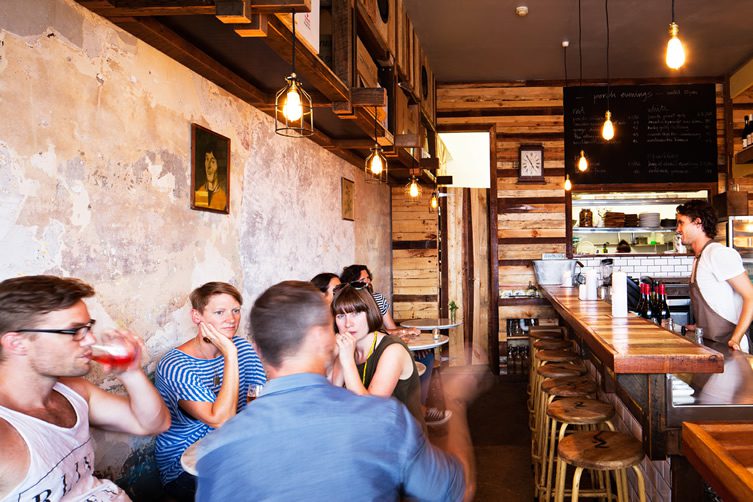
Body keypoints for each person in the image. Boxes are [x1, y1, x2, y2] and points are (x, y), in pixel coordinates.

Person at [195, 281, 476, 501]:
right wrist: (455, 401)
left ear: (256, 350)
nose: (346, 323)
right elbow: (455, 491)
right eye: (338, 318)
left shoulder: (217, 449)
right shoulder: (383, 420)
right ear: (323, 336)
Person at [0, 275, 171, 501]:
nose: (90, 340)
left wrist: (130, 372)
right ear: (17, 343)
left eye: (88, 328)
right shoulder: (6, 435)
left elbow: (153, 424)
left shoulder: (72, 390)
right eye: (73, 331)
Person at [155, 282, 266, 501]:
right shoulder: (176, 365)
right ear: (197, 317)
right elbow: (221, 420)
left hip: (234, 447)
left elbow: (261, 397)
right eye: (220, 312)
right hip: (185, 464)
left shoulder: (242, 347)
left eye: (235, 310)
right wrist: (230, 354)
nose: (232, 319)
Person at [330, 282, 424, 427]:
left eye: (356, 313)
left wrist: (347, 361)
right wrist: (338, 354)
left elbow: (370, 412)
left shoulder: (393, 350)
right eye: (341, 316)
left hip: (402, 439)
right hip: (366, 434)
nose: (348, 324)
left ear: (370, 312)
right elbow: (332, 396)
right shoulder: (347, 347)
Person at [676, 200, 753, 351]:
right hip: (713, 343)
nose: (678, 229)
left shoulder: (717, 254)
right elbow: (716, 302)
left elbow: (750, 296)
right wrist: (699, 326)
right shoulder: (700, 257)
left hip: (730, 345)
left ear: (698, 223)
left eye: (681, 223)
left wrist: (735, 339)